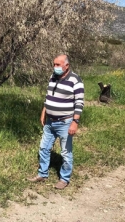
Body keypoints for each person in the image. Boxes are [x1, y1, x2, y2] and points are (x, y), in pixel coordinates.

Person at [28, 54, 84, 189]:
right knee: (44, 148)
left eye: (58, 65)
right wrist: (44, 112)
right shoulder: (53, 77)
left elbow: (79, 103)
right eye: (54, 64)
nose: (55, 67)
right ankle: (42, 174)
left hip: (65, 122)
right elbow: (49, 97)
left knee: (65, 152)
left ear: (67, 66)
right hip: (50, 122)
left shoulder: (75, 80)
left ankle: (64, 179)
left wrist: (75, 122)